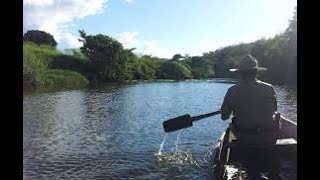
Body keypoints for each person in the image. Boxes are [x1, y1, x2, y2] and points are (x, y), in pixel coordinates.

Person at [220, 54, 280, 180]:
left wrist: (231, 107)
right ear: (256, 72)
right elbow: (275, 110)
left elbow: (224, 117)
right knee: (276, 120)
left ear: (240, 73)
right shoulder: (269, 88)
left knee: (230, 127)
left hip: (245, 137)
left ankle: (251, 170)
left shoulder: (232, 91)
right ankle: (269, 169)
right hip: (268, 136)